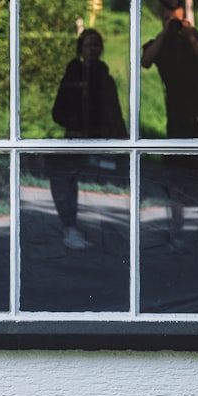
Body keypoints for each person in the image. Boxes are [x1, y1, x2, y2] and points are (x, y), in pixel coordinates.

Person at [141, 0, 198, 251]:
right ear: (161, 18)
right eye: (168, 18)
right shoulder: (160, 42)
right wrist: (165, 34)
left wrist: (190, 37)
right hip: (176, 119)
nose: (173, 23)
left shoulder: (193, 38)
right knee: (176, 180)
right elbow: (145, 61)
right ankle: (177, 234)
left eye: (176, 17)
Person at [50, 29, 128, 250]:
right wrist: (75, 124)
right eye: (88, 45)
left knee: (100, 180)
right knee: (68, 181)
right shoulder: (73, 75)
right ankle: (70, 227)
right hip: (76, 138)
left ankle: (101, 230)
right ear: (80, 49)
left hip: (99, 139)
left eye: (96, 45)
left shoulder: (105, 78)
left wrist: (121, 140)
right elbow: (58, 111)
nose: (92, 49)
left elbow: (114, 111)